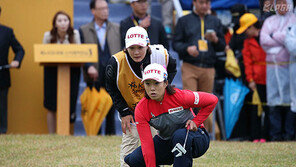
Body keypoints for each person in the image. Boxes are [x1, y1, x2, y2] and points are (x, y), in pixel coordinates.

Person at [105, 26, 177, 167]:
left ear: (148, 45)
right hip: (131, 110)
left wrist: (164, 89)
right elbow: (110, 87)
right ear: (125, 48)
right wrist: (123, 111)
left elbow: (172, 68)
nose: (136, 52)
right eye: (132, 48)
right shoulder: (116, 63)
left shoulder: (161, 55)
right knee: (128, 153)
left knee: (156, 146)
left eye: (140, 47)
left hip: (155, 108)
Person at [124, 63, 218, 167]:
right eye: (148, 83)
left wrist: (196, 121)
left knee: (179, 136)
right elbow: (147, 145)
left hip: (196, 138)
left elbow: (212, 100)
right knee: (133, 159)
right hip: (167, 141)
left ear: (165, 83)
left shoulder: (181, 97)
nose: (152, 88)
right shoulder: (141, 109)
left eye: (156, 83)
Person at [173, 0, 225, 135]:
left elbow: (222, 46)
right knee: (189, 101)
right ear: (194, 3)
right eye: (201, 2)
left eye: (207, 3)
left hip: (208, 67)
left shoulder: (215, 21)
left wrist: (216, 40)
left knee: (206, 102)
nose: (204, 6)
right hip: (190, 66)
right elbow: (176, 44)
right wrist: (187, 49)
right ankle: (186, 132)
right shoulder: (184, 20)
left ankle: (205, 134)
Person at [79, 0, 121, 135]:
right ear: (93, 11)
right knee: (95, 107)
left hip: (112, 73)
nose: (105, 11)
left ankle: (110, 135)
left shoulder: (116, 28)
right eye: (101, 8)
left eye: (106, 8)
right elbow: (81, 53)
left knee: (111, 108)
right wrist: (88, 66)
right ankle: (94, 135)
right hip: (93, 75)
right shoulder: (84, 30)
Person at [260, 0, 296, 141]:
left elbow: (292, 44)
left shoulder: (294, 20)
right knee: (273, 102)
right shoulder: (269, 21)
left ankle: (289, 135)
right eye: (278, 3)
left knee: (290, 101)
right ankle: (275, 135)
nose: (281, 6)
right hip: (272, 70)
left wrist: (274, 36)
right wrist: (283, 41)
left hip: (290, 68)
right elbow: (263, 40)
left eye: (284, 3)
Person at [43, 11, 81, 134]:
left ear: (69, 22)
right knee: (51, 104)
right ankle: (52, 134)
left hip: (72, 71)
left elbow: (80, 53)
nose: (63, 23)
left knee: (70, 103)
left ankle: (68, 133)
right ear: (55, 24)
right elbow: (42, 54)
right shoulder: (48, 36)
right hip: (52, 71)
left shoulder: (74, 34)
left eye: (65, 20)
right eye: (59, 21)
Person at [236, 13, 269, 142]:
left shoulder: (267, 37)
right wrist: (250, 80)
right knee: (255, 109)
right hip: (257, 80)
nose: (245, 33)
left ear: (251, 27)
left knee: (270, 109)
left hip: (271, 78)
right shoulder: (247, 43)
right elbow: (247, 62)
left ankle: (267, 136)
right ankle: (256, 136)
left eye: (246, 30)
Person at [0, 6, 25, 134]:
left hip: (2, 75)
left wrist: (17, 60)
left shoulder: (7, 32)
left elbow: (20, 49)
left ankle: (2, 132)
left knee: (1, 107)